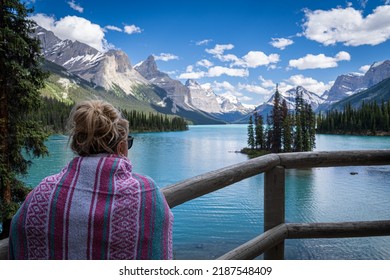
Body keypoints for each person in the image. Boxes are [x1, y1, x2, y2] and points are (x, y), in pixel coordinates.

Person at [8, 100, 173, 260]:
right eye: (128, 143)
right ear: (121, 147)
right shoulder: (147, 194)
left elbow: (18, 236)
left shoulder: (42, 193)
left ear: (76, 145)